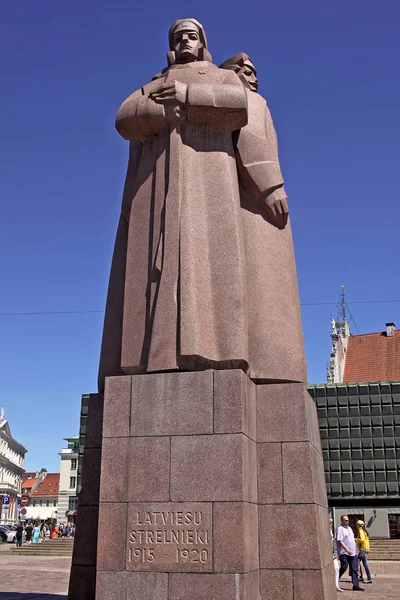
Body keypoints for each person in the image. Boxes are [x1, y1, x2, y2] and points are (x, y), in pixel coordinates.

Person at [98, 19, 306, 392]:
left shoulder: (218, 77)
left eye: (191, 36)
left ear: (204, 43)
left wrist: (186, 97)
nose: (184, 42)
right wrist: (162, 113)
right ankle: (154, 359)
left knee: (210, 266)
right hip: (156, 192)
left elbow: (238, 106)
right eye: (178, 37)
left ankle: (215, 351)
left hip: (209, 187)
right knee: (154, 278)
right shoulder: (154, 83)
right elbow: (124, 117)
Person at [336, 515, 364, 592]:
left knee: (355, 568)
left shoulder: (350, 528)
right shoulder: (340, 529)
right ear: (341, 521)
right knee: (344, 566)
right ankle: (335, 580)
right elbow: (340, 540)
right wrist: (347, 549)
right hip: (344, 552)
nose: (347, 522)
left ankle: (355, 585)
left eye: (348, 520)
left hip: (353, 552)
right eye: (345, 520)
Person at [329, 518, 344, 592]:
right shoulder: (324, 530)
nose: (331, 524)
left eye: (332, 522)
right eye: (330, 523)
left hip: (332, 553)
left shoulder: (331, 531)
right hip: (327, 553)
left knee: (337, 568)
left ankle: (336, 585)